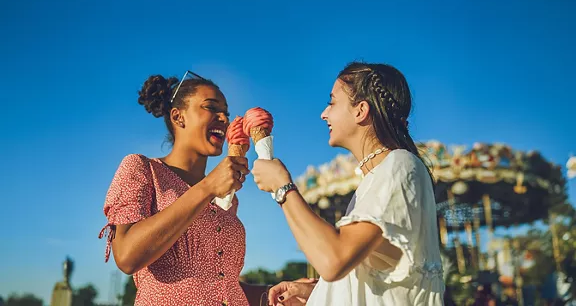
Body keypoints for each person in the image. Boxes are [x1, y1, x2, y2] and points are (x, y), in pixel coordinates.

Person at [251, 62, 445, 305]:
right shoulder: (375, 179)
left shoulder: (399, 165)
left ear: (360, 110)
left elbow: (335, 259)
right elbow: (378, 282)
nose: (324, 113)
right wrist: (318, 294)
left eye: (332, 102)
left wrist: (282, 188)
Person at [98, 71, 269, 305]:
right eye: (211, 107)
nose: (224, 118)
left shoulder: (226, 195)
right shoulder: (142, 169)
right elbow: (127, 256)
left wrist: (273, 292)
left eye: (226, 113)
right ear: (178, 117)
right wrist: (207, 188)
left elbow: (221, 284)